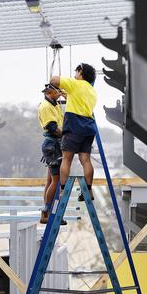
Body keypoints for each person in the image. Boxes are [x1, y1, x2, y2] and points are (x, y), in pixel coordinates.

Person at [49, 63, 97, 201]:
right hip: (88, 127)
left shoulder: (75, 84)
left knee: (67, 159)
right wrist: (68, 95)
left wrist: (64, 84)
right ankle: (88, 190)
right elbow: (80, 102)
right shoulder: (92, 91)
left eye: (77, 71)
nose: (75, 74)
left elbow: (54, 80)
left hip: (74, 126)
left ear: (81, 72)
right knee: (85, 160)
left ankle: (63, 191)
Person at [37, 84, 67, 225]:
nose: (60, 93)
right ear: (50, 92)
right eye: (58, 91)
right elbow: (53, 128)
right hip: (52, 146)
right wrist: (69, 135)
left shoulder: (54, 104)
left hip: (53, 145)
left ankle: (49, 213)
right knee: (57, 181)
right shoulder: (46, 106)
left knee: (50, 181)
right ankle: (48, 212)